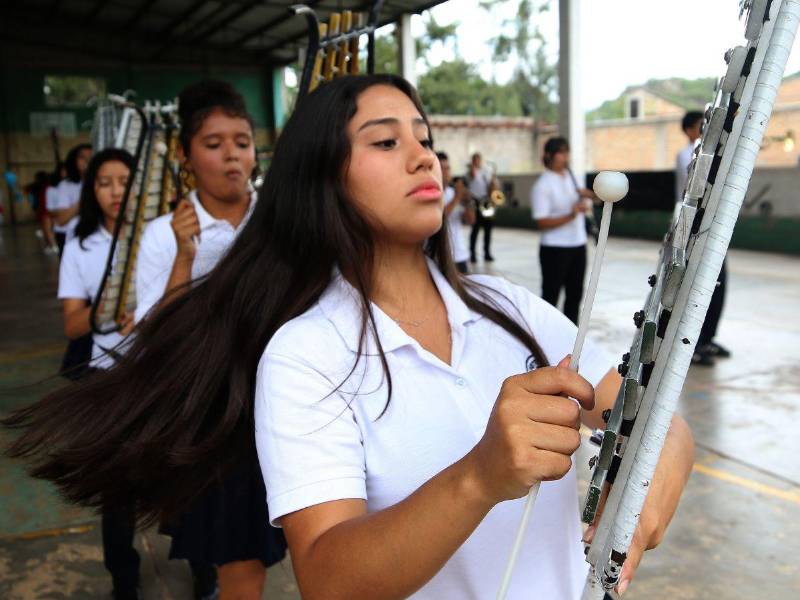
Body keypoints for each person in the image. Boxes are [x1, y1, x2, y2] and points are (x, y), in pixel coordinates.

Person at [4, 75, 694, 600]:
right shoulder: (308, 352)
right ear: (323, 180)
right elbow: (329, 575)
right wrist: (480, 476)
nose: (423, 157)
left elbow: (654, 415)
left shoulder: (508, 307)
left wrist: (647, 496)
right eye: (387, 142)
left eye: (425, 139)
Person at [134, 80, 286, 600]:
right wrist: (184, 255)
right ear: (186, 155)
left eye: (242, 142)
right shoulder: (162, 235)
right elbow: (157, 338)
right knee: (241, 555)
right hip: (217, 415)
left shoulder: (279, 220)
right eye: (214, 143)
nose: (232, 156)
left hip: (287, 398)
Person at [56, 148, 139, 599]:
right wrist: (108, 307)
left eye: (124, 181)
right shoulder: (80, 244)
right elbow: (71, 324)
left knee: (178, 475)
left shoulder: (160, 236)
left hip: (158, 373)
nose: (114, 192)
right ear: (92, 190)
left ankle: (204, 569)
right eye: (104, 183)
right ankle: (124, 578)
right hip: (108, 376)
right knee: (118, 485)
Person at [675, 111, 730, 365]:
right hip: (695, 228)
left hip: (713, 227)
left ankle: (707, 337)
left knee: (718, 285)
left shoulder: (707, 153)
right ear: (688, 130)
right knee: (698, 286)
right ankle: (693, 344)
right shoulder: (689, 155)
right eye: (701, 126)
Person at [531, 137, 595, 325]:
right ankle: (546, 334)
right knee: (551, 296)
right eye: (561, 152)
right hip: (555, 248)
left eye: (567, 152)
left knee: (575, 295)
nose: (565, 156)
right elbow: (541, 222)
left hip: (578, 244)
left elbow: (589, 198)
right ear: (549, 156)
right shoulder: (542, 185)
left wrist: (590, 195)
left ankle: (570, 335)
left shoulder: (571, 176)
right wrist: (571, 215)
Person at [48, 143, 92, 256]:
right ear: (74, 161)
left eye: (91, 157)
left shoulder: (99, 183)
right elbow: (62, 219)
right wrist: (85, 197)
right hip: (70, 235)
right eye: (82, 157)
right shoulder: (66, 186)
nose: (87, 160)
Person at [437, 152, 472, 274]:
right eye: (442, 168)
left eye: (448, 168)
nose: (446, 172)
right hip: (440, 256)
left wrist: (468, 203)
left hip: (460, 255)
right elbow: (439, 218)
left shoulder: (454, 192)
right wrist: (457, 197)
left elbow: (470, 221)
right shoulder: (431, 193)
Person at [467, 152, 496, 263]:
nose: (477, 162)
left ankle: (487, 252)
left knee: (488, 228)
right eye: (475, 160)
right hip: (474, 201)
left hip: (485, 201)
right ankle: (472, 254)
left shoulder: (485, 172)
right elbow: (471, 176)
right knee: (475, 228)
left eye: (478, 160)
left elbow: (491, 186)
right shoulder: (469, 172)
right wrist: (473, 168)